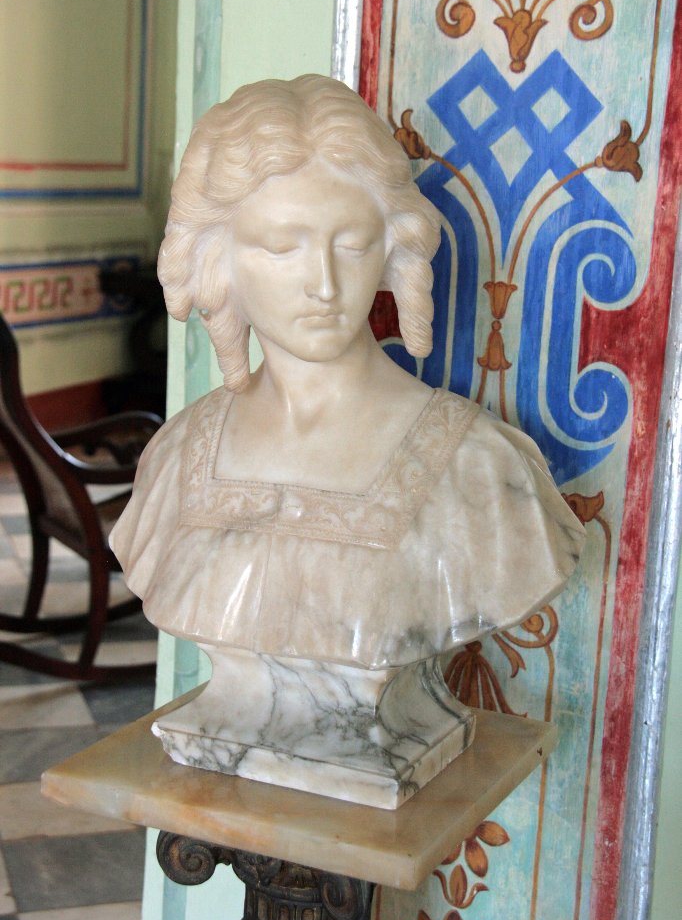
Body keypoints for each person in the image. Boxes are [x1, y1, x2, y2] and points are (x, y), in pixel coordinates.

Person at [111, 74, 584, 672]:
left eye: (354, 245)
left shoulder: (480, 469)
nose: (325, 285)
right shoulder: (175, 457)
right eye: (283, 248)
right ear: (214, 259)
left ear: (391, 250)